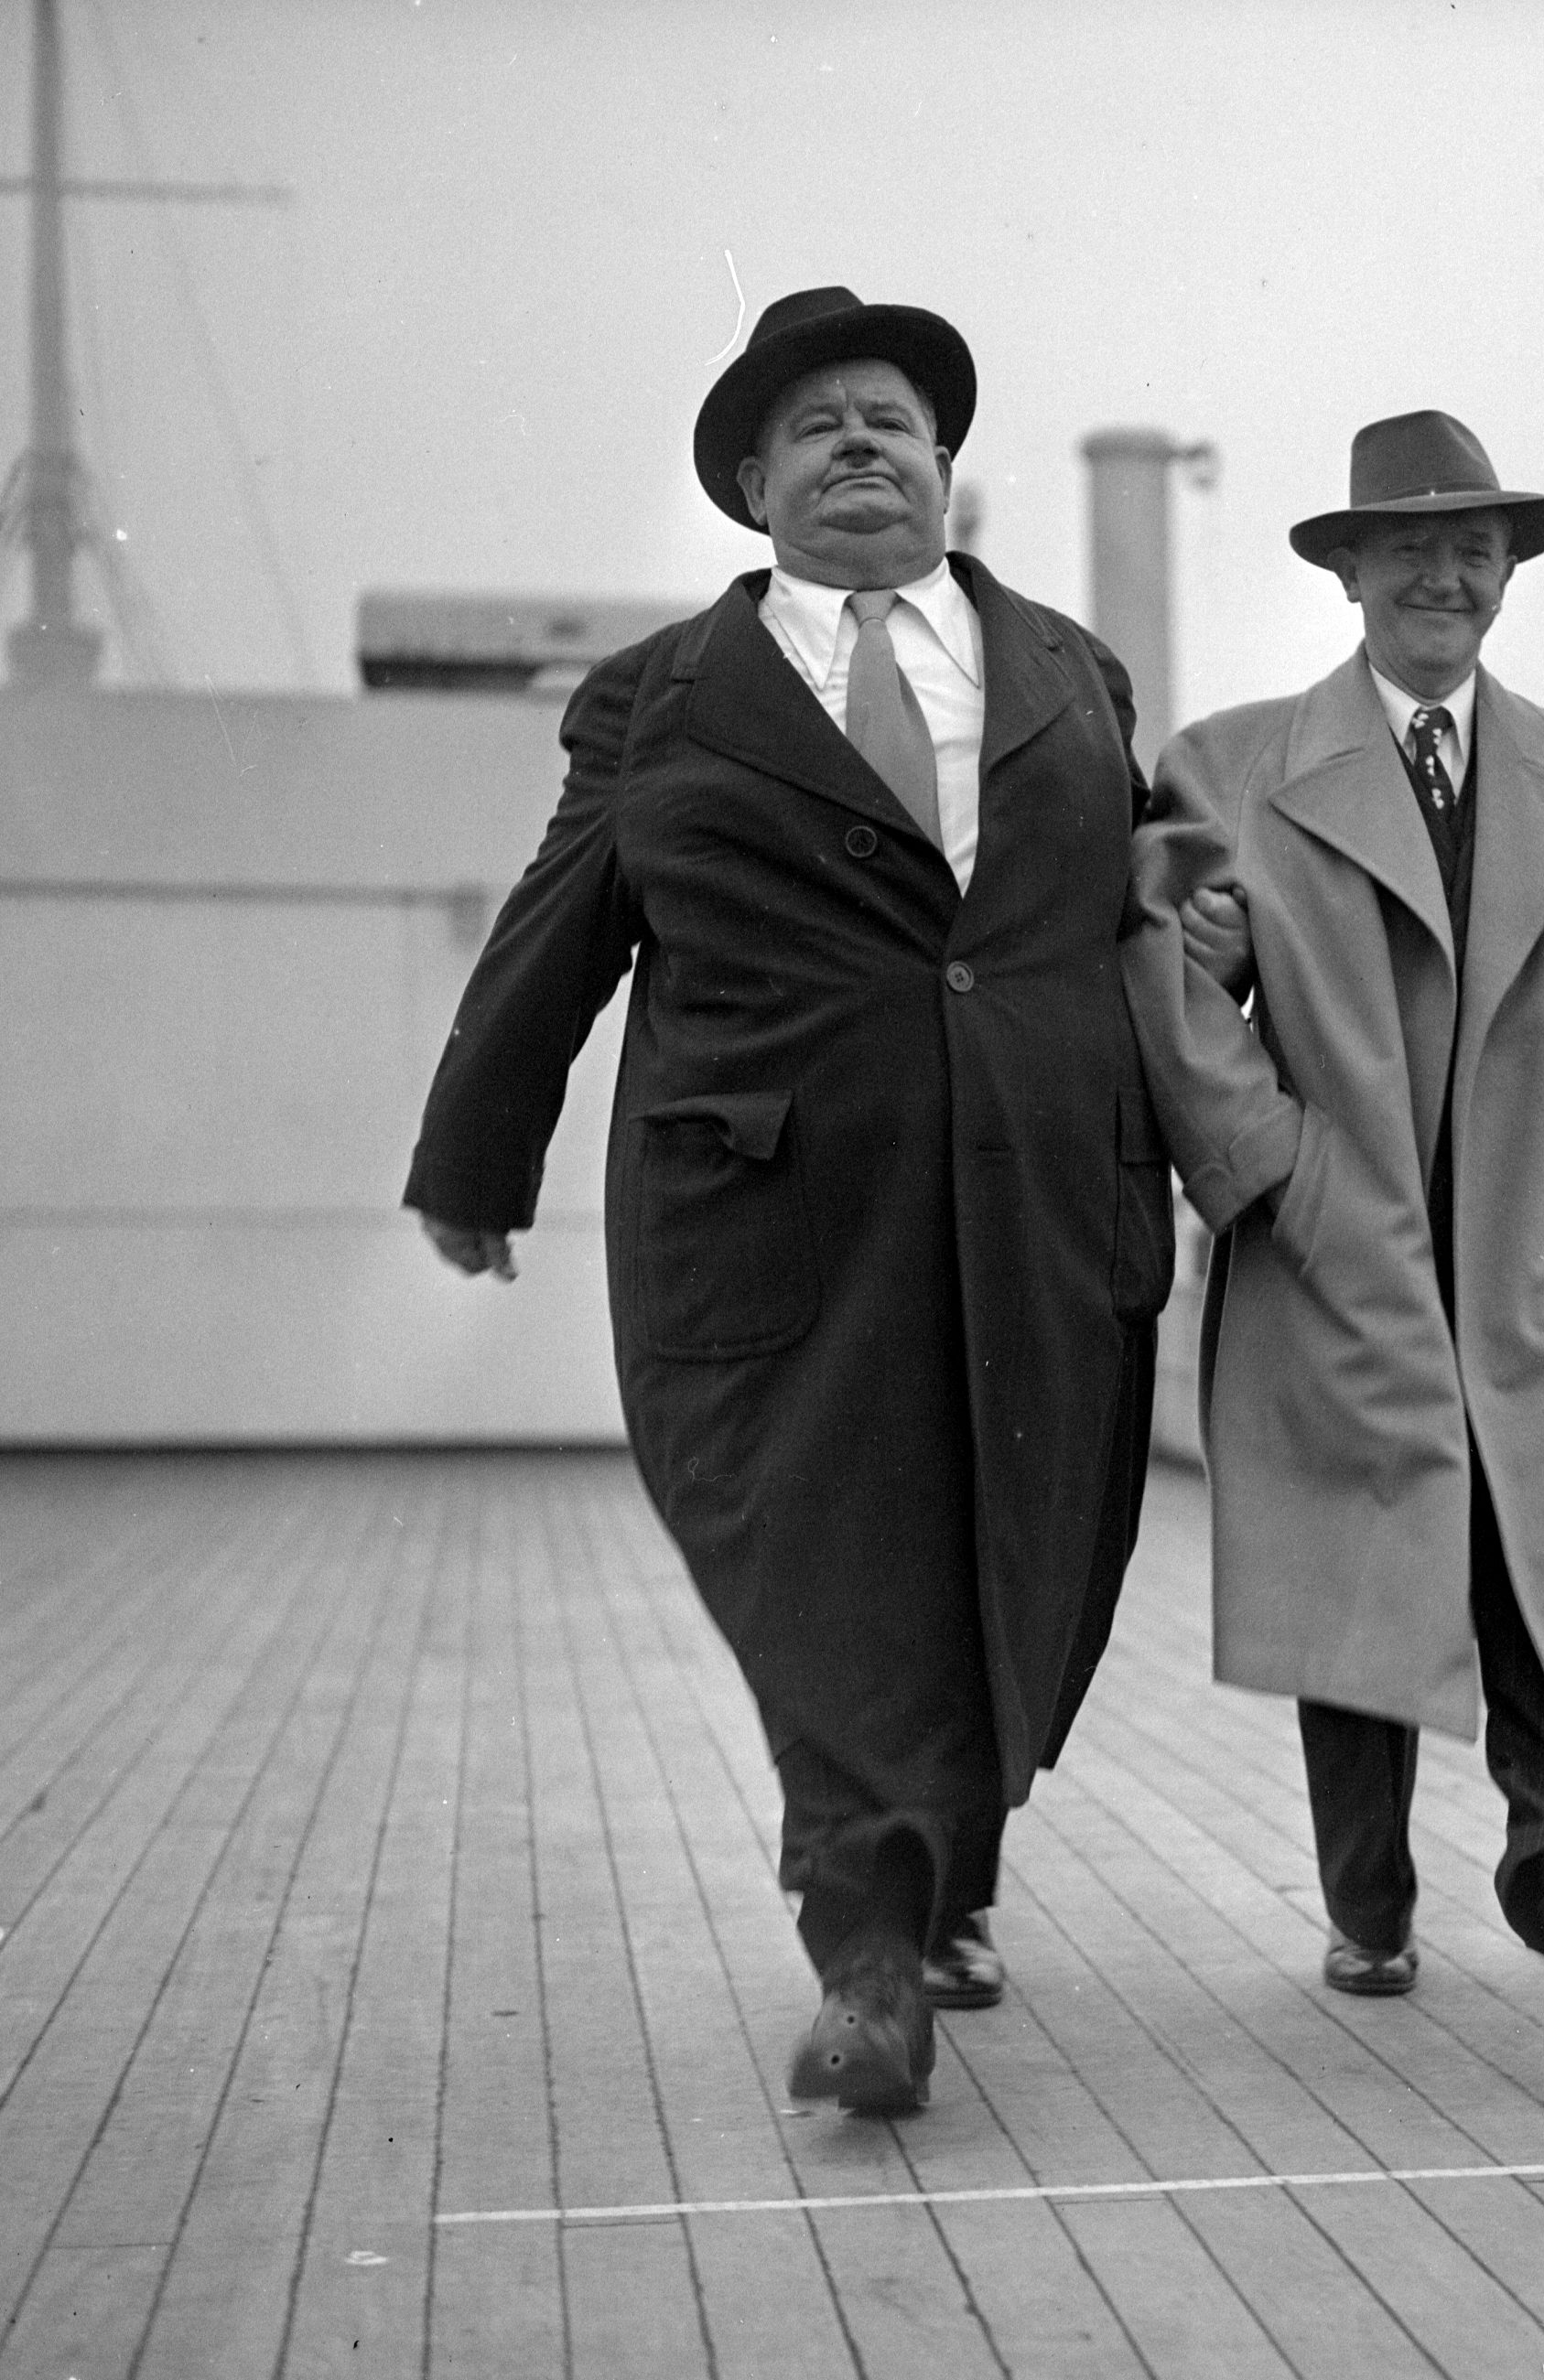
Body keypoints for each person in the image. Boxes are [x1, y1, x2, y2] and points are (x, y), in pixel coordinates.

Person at [404, 286, 1171, 2116]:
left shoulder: (1072, 672)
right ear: (753, 483)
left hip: (1042, 1203)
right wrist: (473, 1156)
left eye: (889, 417)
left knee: (1017, 1550)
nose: (858, 444)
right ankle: (870, 1960)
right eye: (814, 423)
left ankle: (938, 1875)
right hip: (768, 1224)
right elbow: (560, 923)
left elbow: (1145, 923)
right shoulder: (667, 694)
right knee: (825, 1576)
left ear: (945, 468)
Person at [1126, 411, 1544, 2085]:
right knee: (1372, 1581)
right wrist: (1284, 1173)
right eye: (1412, 549)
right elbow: (1174, 995)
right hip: (1347, 1246)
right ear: (1350, 572)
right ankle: (1369, 1901)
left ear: (1509, 571)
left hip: (1538, 1255)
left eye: (1478, 548)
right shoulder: (1231, 766)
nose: (1447, 576)